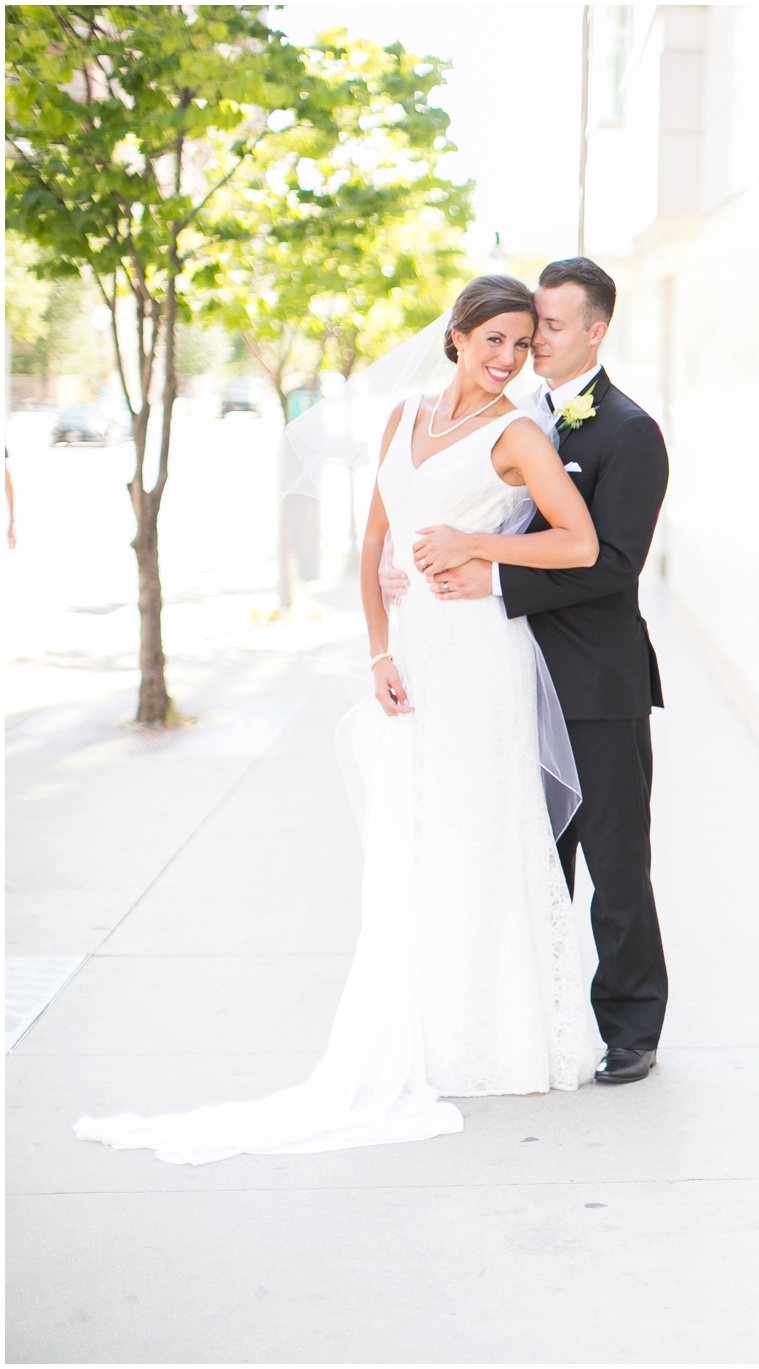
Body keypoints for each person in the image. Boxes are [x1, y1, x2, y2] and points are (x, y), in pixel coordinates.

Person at [75, 275, 604, 1164]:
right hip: (416, 652)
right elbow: (373, 548)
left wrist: (478, 542)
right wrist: (378, 651)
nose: (508, 358)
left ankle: (507, 1035)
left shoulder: (517, 434)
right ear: (456, 335)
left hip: (481, 656)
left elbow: (578, 541)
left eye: (521, 344)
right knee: (417, 835)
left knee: (481, 832)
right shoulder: (403, 421)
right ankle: (428, 1023)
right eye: (494, 340)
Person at [393, 257, 671, 1086]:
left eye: (550, 326)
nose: (532, 341)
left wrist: (497, 577)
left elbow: (613, 562)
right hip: (507, 683)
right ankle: (541, 1018)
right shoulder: (515, 414)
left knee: (615, 865)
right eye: (527, 324)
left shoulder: (628, 431)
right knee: (530, 861)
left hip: (595, 687)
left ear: (595, 331)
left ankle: (631, 1025)